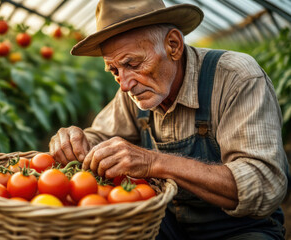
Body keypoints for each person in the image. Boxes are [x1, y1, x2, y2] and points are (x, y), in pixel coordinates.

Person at [49, 0, 290, 239]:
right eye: (114, 71)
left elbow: (264, 183)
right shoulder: (134, 88)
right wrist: (77, 140)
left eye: (132, 63)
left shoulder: (236, 78)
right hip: (164, 221)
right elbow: (100, 136)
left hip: (239, 227)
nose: (124, 85)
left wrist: (153, 162)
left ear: (173, 45)